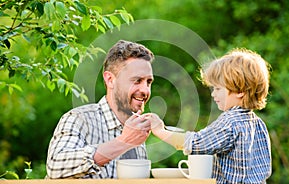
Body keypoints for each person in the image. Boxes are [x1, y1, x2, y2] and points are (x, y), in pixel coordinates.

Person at [149, 48, 272, 183]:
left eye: (218, 88)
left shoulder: (230, 122)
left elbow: (195, 144)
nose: (213, 94)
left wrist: (159, 131)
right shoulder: (258, 123)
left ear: (240, 91)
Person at [46, 40, 155, 179]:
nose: (145, 90)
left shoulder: (137, 133)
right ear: (110, 80)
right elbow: (55, 166)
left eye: (149, 82)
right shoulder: (79, 119)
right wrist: (123, 142)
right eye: (137, 81)